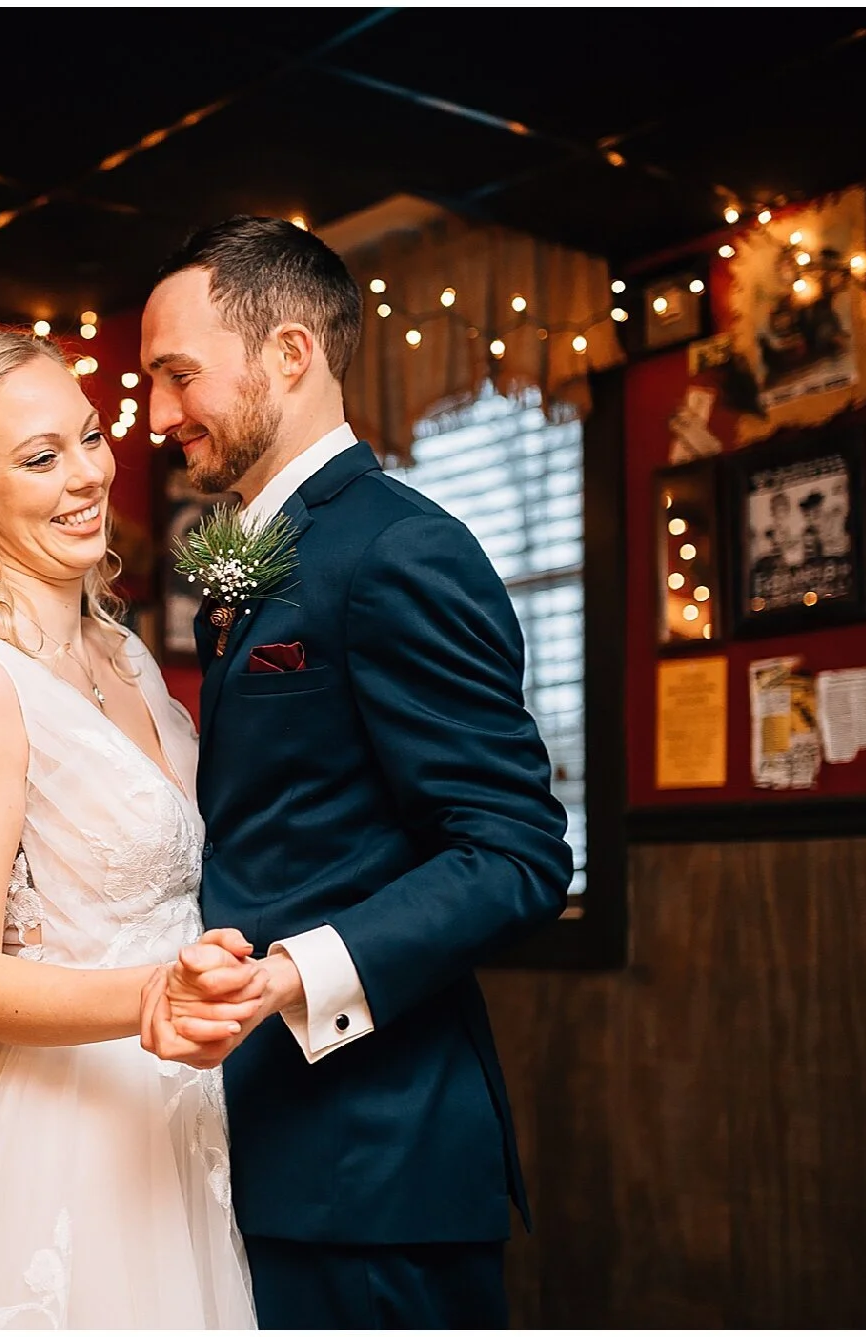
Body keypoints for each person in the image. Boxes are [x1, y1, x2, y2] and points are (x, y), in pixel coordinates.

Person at [136, 216, 572, 1329]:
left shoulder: (397, 548)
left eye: (178, 375)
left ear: (290, 353)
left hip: (376, 1166)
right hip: (265, 1144)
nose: (158, 416)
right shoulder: (264, 551)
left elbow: (516, 852)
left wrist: (293, 972)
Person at [0, 328, 256, 1328]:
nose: (87, 475)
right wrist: (152, 994)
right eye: (40, 457)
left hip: (177, 1115)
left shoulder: (122, 653)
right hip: (62, 1137)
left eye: (89, 436)